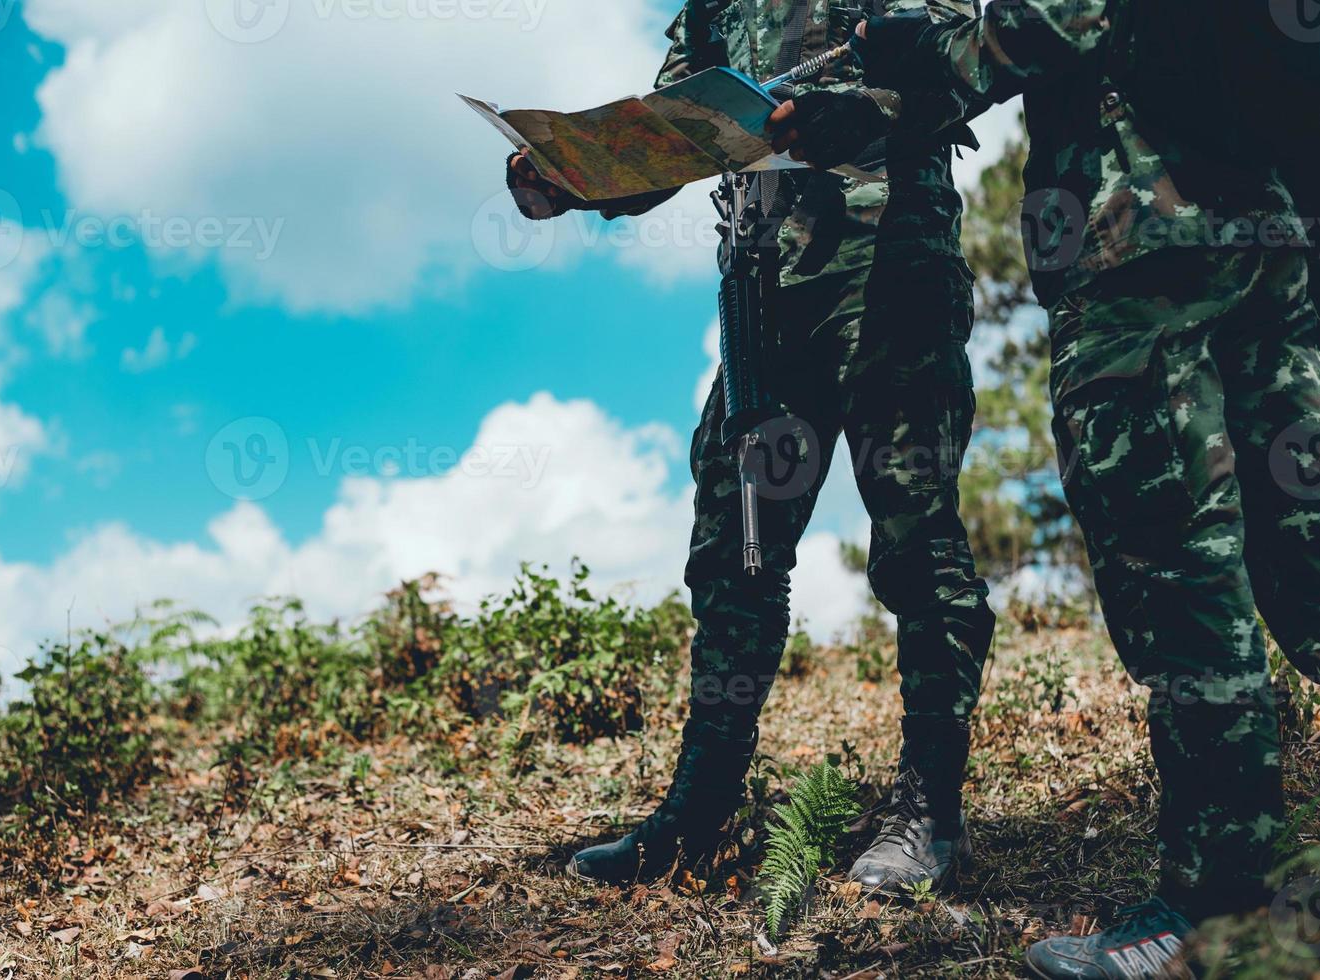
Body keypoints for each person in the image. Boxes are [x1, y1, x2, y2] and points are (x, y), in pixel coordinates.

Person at [769, 2, 1320, 975]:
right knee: (1301, 546)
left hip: (1144, 241)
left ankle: (1221, 906)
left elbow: (1039, 28)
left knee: (1173, 562)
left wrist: (913, 51)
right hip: (1273, 214)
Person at [507, 0, 996, 895]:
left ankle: (928, 815)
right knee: (732, 550)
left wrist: (875, 113)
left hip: (889, 257)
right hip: (762, 280)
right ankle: (699, 813)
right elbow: (672, 132)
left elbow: (973, 58)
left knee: (916, 541)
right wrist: (576, 174)